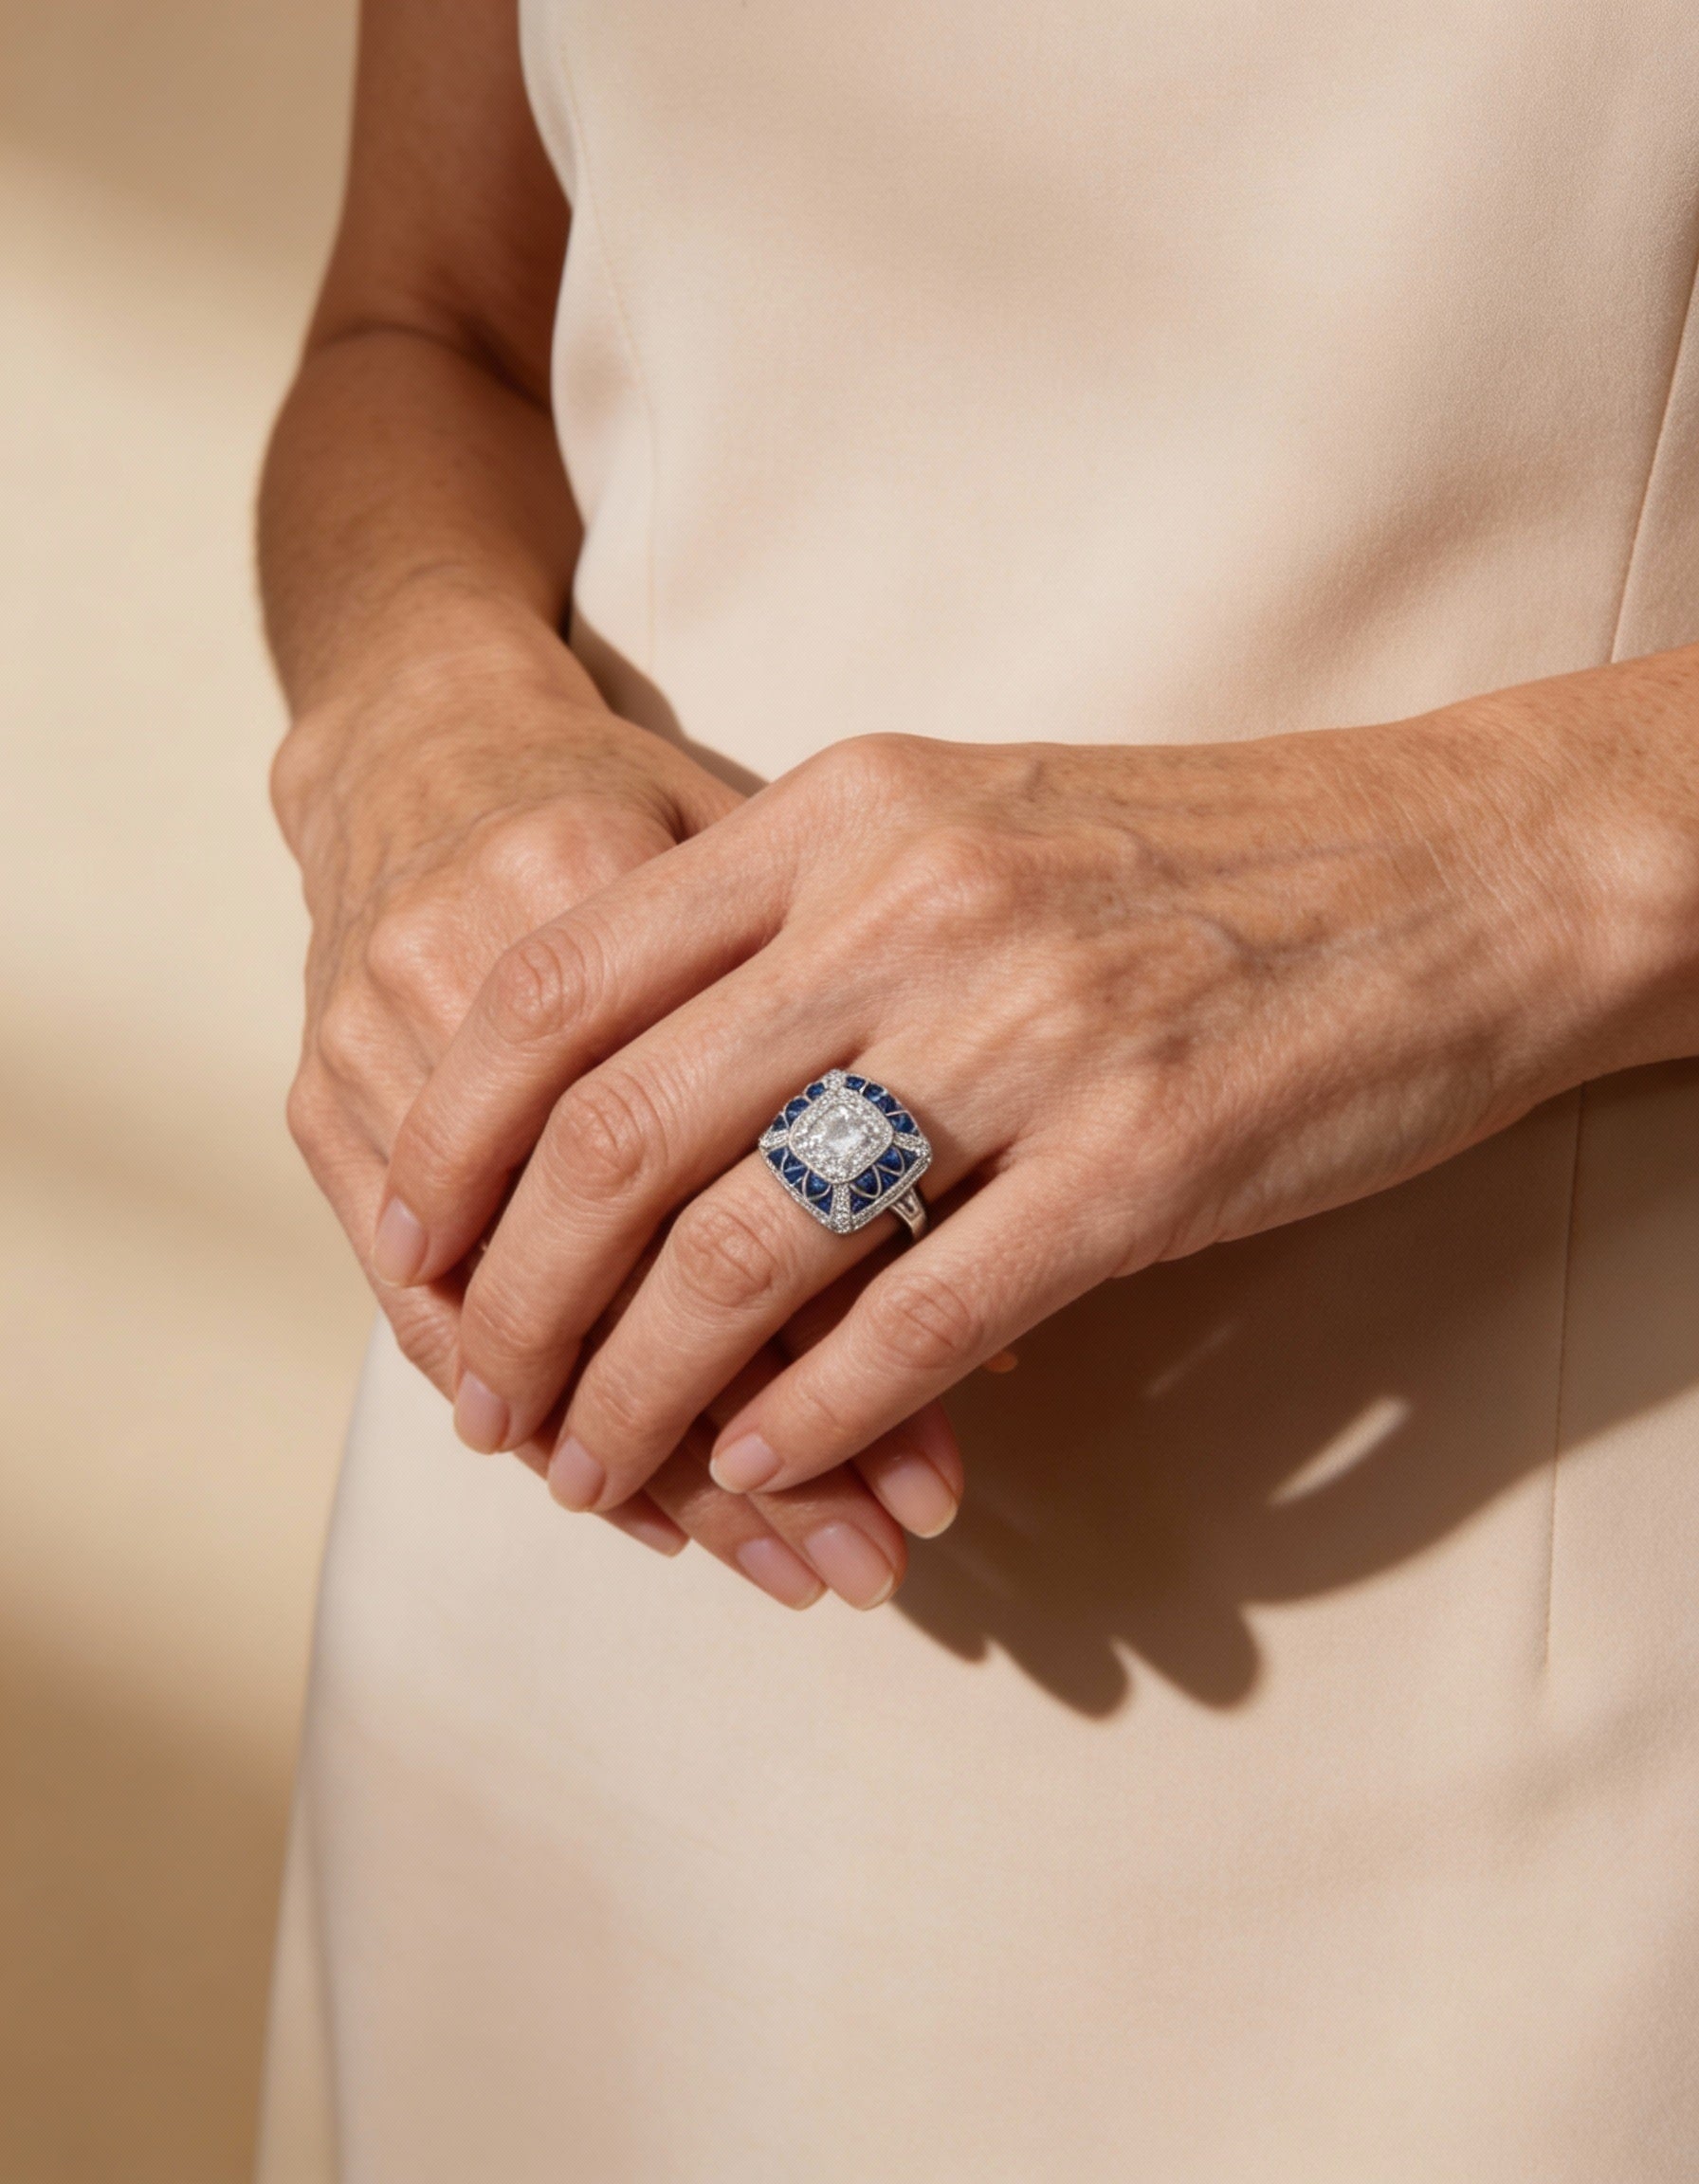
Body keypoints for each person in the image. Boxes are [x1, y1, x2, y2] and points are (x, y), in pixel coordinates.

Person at [254, 1, 1699, 2175]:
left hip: (1500, 1681)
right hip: (565, 1566)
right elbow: (423, 322)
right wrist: (413, 731)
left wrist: (1504, 856)